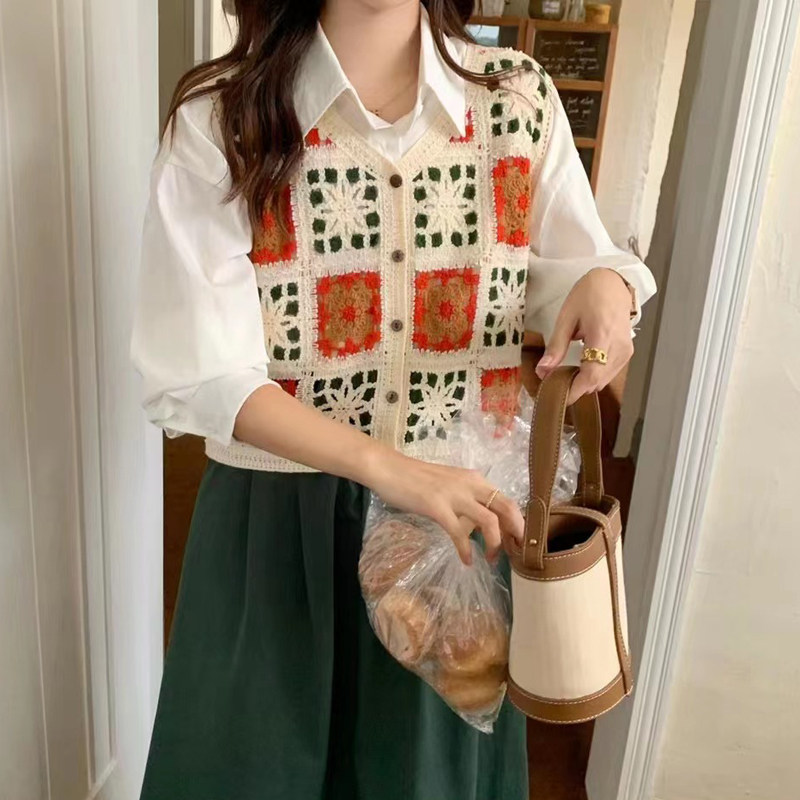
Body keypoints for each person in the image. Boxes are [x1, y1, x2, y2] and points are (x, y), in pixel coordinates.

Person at [131, 1, 656, 797]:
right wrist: (394, 470)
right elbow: (202, 373)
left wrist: (608, 289)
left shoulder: (516, 102)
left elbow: (574, 268)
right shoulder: (223, 122)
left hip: (454, 544)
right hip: (276, 530)